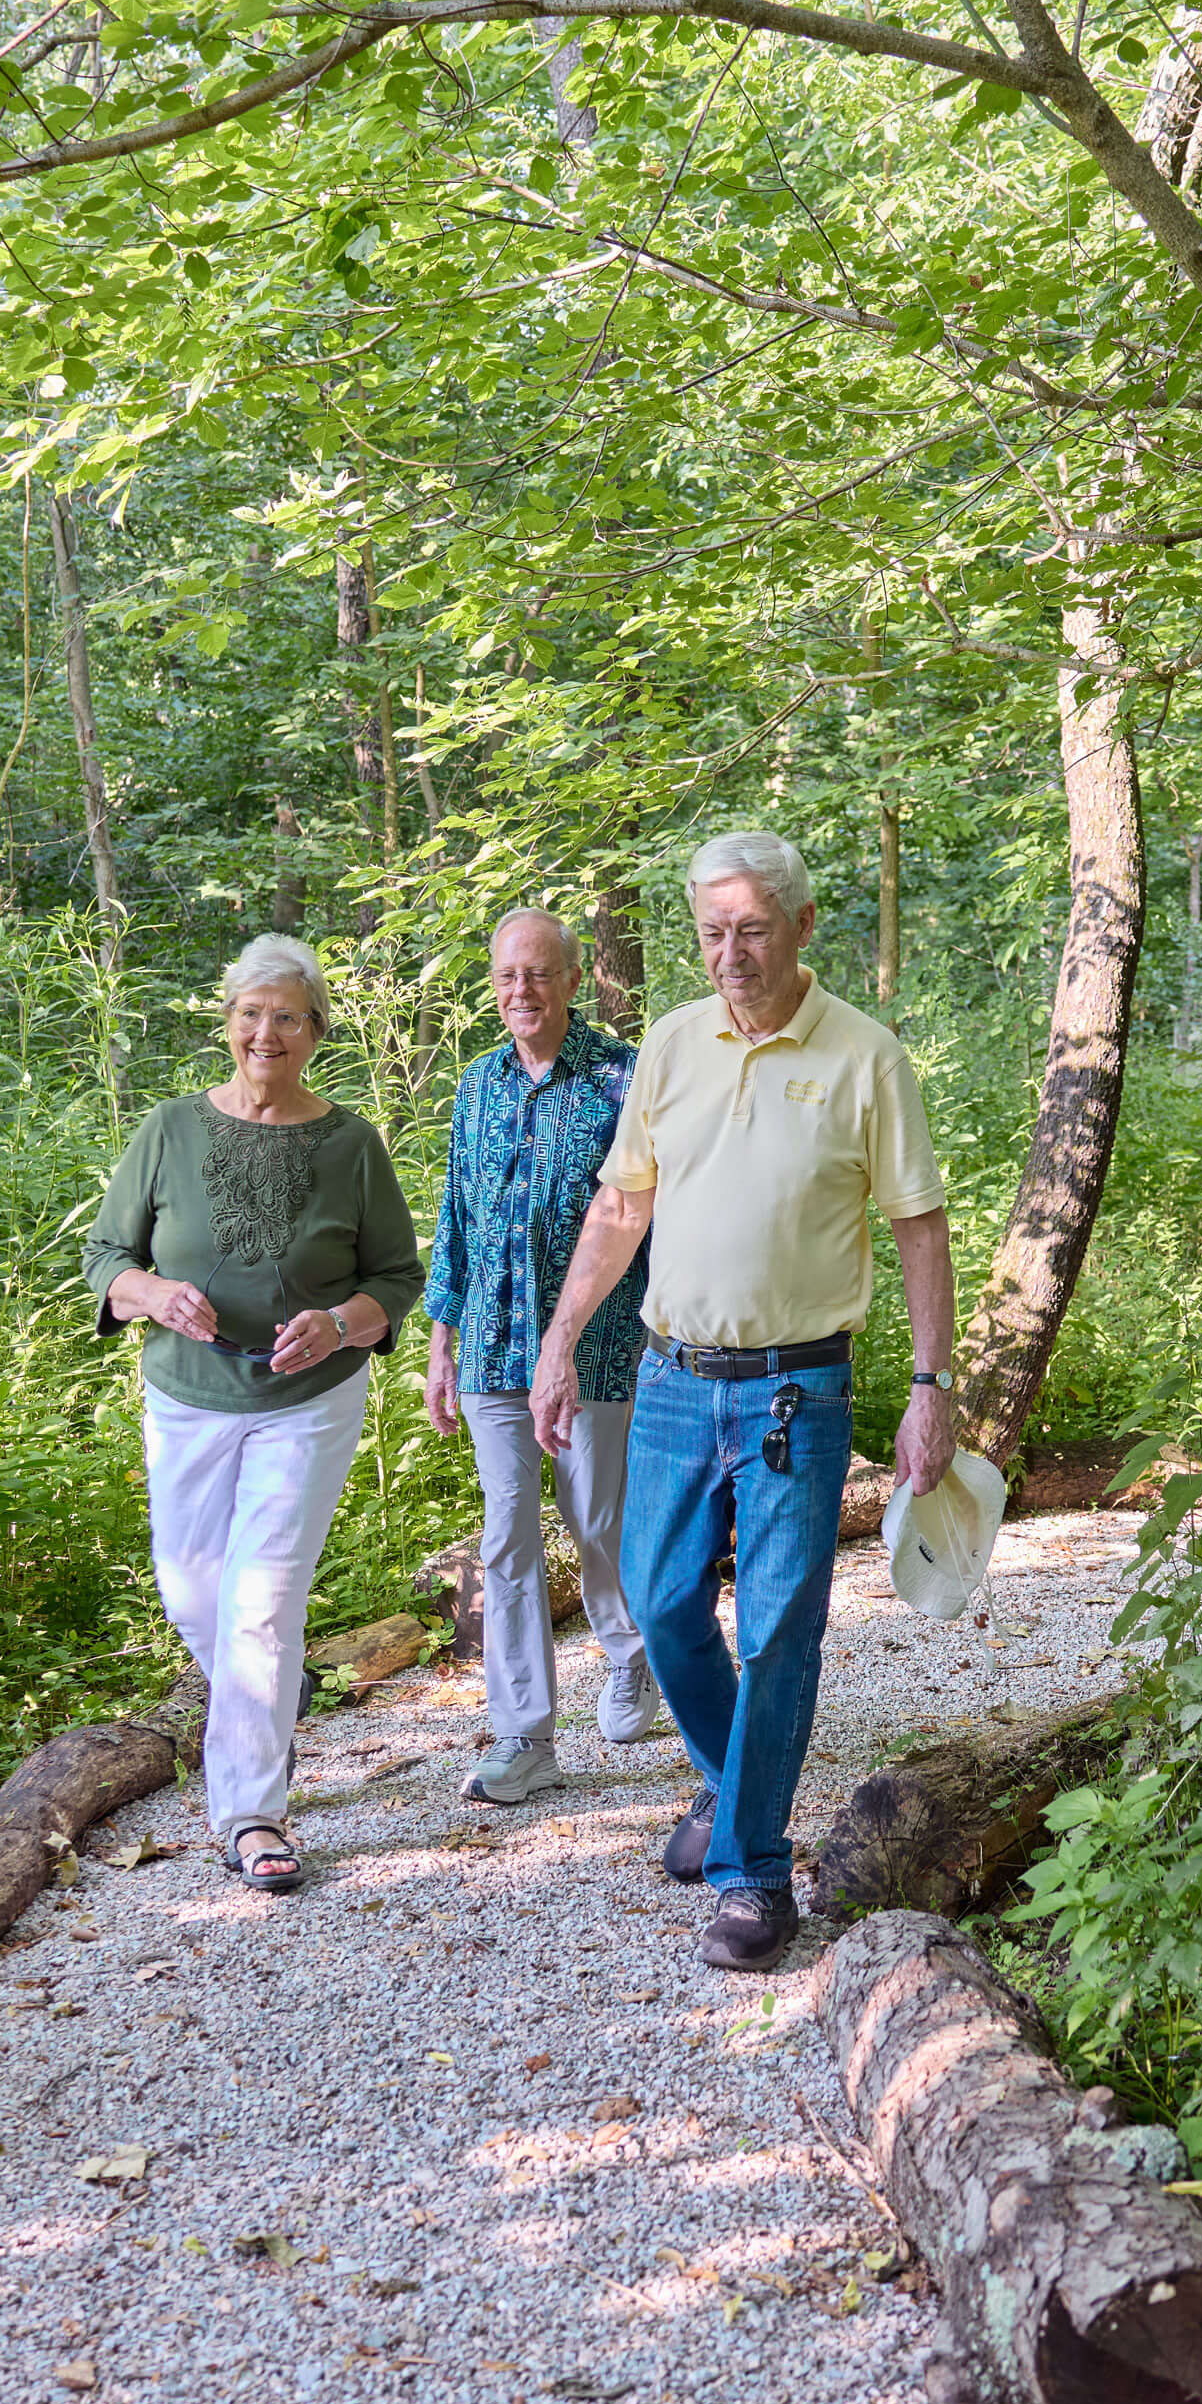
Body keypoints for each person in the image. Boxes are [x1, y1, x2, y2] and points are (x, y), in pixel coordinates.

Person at [533, 832, 955, 1971]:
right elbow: (623, 1209)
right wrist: (561, 1338)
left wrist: (929, 1383)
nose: (730, 952)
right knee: (663, 1606)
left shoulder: (867, 1056)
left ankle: (752, 1871)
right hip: (672, 1378)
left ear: (803, 925)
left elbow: (917, 1223)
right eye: (712, 931)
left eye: (751, 928)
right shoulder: (670, 1044)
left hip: (796, 1390)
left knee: (776, 1634)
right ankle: (735, 1795)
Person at [84, 935, 424, 1895]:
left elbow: (397, 1277)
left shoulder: (351, 1144)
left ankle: (252, 1816)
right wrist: (152, 1294)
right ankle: (277, 1691)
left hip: (305, 1400)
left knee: (263, 1601)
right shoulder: (167, 1131)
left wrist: (337, 1323)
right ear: (227, 1024)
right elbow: (106, 1257)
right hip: (185, 1396)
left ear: (315, 1031)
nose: (264, 1031)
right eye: (249, 1013)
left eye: (286, 1015)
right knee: (195, 1595)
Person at [421, 907, 660, 1807]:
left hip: (598, 1351)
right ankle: (526, 1735)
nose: (520, 992)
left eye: (538, 974)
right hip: (489, 1347)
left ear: (572, 977)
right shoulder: (477, 1085)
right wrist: (441, 1344)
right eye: (506, 977)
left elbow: (645, 1219)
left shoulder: (622, 1079)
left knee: (599, 1522)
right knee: (507, 1537)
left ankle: (632, 1656)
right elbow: (455, 1222)